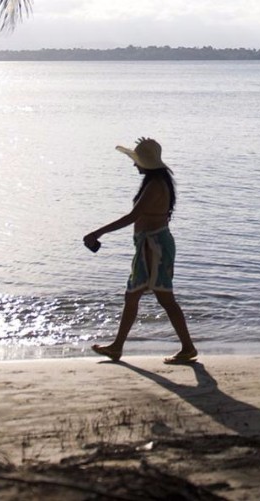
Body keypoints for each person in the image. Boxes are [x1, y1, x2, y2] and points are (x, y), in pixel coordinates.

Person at [86, 136, 198, 365]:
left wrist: (97, 233)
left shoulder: (155, 184)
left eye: (137, 161)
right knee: (134, 295)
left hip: (154, 247)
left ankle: (187, 347)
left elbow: (132, 216)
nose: (134, 164)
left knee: (164, 298)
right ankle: (117, 347)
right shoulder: (156, 181)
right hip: (150, 245)